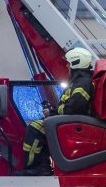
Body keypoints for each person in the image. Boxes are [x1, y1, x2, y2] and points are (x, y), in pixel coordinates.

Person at [20, 47, 96, 175]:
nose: (67, 66)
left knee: (35, 128)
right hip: (72, 122)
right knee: (41, 128)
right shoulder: (80, 82)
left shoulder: (83, 83)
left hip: (74, 124)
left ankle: (35, 168)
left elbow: (74, 108)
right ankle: (41, 166)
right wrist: (53, 113)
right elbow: (69, 106)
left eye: (69, 63)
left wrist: (52, 114)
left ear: (76, 63)